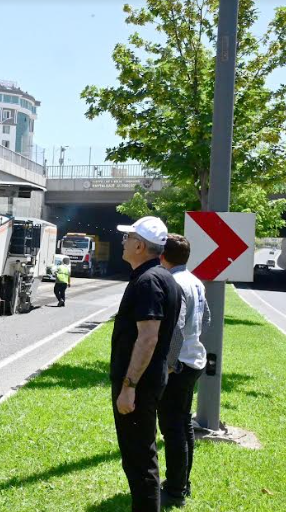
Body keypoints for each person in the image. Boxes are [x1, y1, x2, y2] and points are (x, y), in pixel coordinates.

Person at [111, 216, 181, 512]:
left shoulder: (149, 281)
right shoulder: (163, 276)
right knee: (139, 457)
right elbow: (171, 334)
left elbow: (149, 338)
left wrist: (129, 387)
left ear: (140, 245)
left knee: (140, 460)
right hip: (147, 381)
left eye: (127, 238)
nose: (123, 242)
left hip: (138, 385)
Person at [158, 234, 209, 508]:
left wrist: (167, 366)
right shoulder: (196, 281)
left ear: (161, 256)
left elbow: (175, 329)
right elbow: (206, 319)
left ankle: (175, 490)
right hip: (194, 360)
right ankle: (183, 483)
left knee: (172, 430)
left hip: (178, 366)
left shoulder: (174, 283)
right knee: (184, 424)